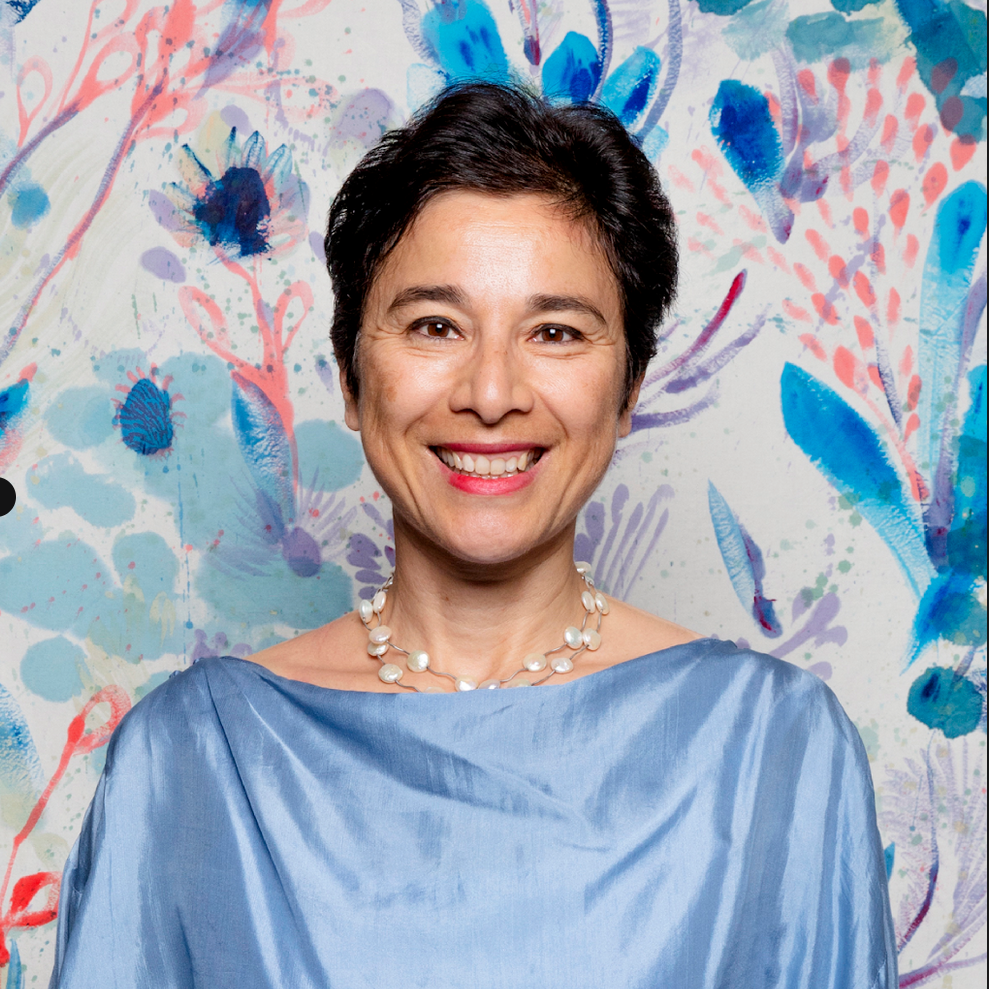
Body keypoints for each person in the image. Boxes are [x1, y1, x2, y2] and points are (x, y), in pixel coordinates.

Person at [49, 84, 897, 988]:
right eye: (435, 326)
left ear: (628, 387)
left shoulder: (775, 749)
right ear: (350, 374)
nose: (491, 395)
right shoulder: (193, 755)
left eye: (555, 332)